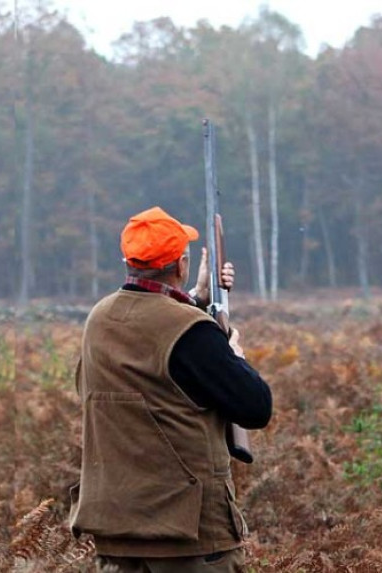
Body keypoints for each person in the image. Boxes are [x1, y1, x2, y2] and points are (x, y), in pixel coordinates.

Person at [69, 206, 272, 572]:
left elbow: (151, 337)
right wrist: (234, 356)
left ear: (126, 261)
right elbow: (256, 407)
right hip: (189, 538)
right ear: (180, 265)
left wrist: (195, 297)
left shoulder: (99, 319)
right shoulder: (191, 331)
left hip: (116, 530)